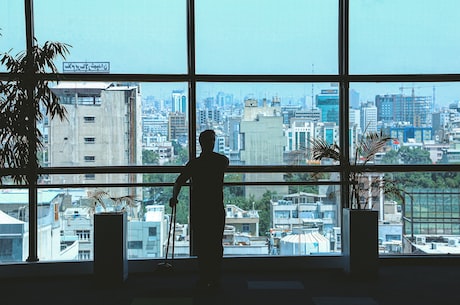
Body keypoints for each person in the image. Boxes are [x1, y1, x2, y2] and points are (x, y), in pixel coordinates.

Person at [169, 129, 229, 291]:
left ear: (200, 144)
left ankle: (204, 277)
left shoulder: (194, 164)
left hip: (200, 209)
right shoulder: (222, 161)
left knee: (203, 244)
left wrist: (174, 198)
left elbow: (179, 181)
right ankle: (215, 278)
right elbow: (224, 163)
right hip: (216, 207)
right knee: (216, 244)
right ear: (212, 143)